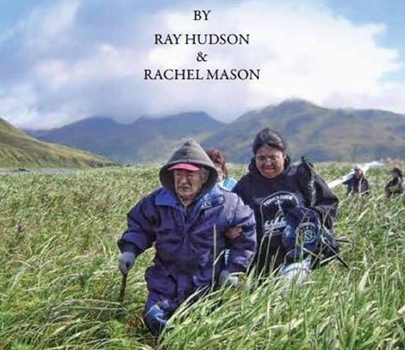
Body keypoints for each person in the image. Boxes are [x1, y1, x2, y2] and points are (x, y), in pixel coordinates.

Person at [117, 140, 256, 336]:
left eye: (189, 175)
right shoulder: (157, 202)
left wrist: (232, 269)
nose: (183, 181)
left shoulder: (227, 204)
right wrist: (130, 250)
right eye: (178, 175)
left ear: (204, 176)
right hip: (165, 283)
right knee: (153, 317)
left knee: (202, 330)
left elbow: (246, 236)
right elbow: (140, 226)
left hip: (206, 285)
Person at [233, 127, 339, 274]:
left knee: (288, 290)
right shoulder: (245, 185)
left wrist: (312, 216)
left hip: (302, 257)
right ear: (254, 158)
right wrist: (233, 230)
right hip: (261, 266)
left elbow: (329, 203)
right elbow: (232, 217)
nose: (267, 163)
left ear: (283, 155)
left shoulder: (302, 177)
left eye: (273, 157)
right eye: (261, 158)